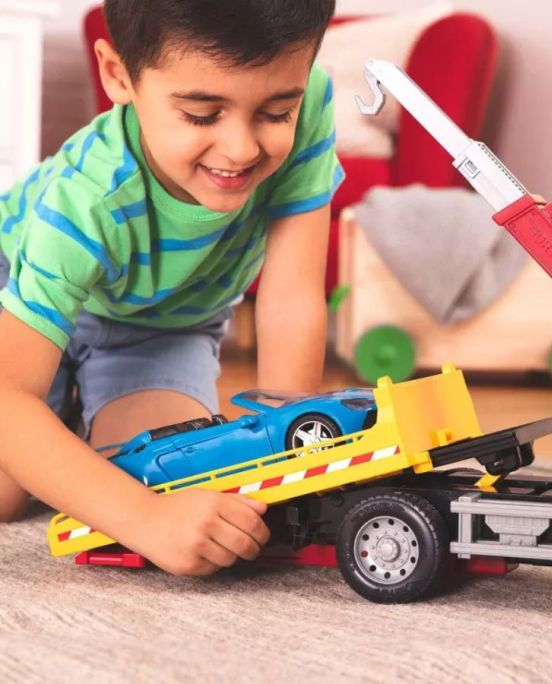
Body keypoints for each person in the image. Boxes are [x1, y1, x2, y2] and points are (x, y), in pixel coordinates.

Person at [0, 0, 342, 576]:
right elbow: (6, 399)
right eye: (203, 115)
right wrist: (145, 521)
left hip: (159, 325)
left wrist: (292, 469)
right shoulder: (84, 200)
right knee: (8, 495)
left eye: (276, 112)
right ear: (118, 76)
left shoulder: (311, 104)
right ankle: (59, 409)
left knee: (176, 474)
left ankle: (74, 423)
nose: (241, 149)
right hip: (17, 291)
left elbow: (290, 297)